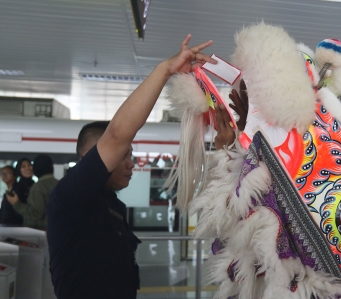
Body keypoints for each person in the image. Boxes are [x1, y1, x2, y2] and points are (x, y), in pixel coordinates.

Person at [46, 34, 217, 299]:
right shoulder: (71, 197)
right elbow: (117, 134)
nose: (131, 163)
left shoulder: (109, 204)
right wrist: (165, 71)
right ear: (92, 156)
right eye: (124, 155)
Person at [7, 155, 58, 230]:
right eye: (23, 166)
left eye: (30, 165)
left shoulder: (38, 187)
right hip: (56, 229)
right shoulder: (60, 184)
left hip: (39, 231)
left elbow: (36, 213)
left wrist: (16, 203)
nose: (28, 168)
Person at [0, 158, 34, 226]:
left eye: (8, 173)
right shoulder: (15, 189)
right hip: (11, 226)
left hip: (18, 226)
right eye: (2, 173)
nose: (27, 168)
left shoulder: (21, 187)